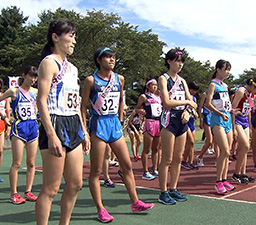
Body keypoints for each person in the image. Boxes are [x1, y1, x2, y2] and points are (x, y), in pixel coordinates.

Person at [81, 46, 154, 223]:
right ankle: (100, 208)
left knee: (127, 165)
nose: (111, 59)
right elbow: (82, 107)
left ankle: (135, 202)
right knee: (96, 171)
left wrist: (121, 118)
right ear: (98, 60)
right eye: (107, 57)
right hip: (98, 125)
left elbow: (121, 99)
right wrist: (84, 131)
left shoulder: (119, 78)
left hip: (114, 124)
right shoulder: (91, 80)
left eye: (113, 57)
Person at [35, 20, 90, 225]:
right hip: (55, 123)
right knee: (51, 188)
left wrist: (83, 132)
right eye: (71, 35)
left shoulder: (73, 69)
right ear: (55, 37)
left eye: (75, 36)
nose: (74, 40)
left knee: (75, 183)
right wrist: (51, 135)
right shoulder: (49, 63)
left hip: (73, 124)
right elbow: (41, 100)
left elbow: (75, 105)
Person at [157, 49, 197, 204]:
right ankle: (163, 192)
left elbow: (191, 102)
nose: (180, 64)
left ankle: (173, 189)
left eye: (182, 61)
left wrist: (187, 110)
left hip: (182, 120)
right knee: (166, 158)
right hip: (169, 119)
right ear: (169, 61)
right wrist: (187, 103)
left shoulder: (182, 81)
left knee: (178, 158)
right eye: (177, 60)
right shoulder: (163, 79)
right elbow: (166, 102)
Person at [0, 66, 39, 204]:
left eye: (35, 77)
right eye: (31, 76)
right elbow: (1, 98)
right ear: (24, 75)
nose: (33, 79)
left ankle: (28, 191)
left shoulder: (36, 92)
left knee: (31, 162)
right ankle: (14, 193)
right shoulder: (14, 91)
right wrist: (5, 116)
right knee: (17, 163)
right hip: (19, 128)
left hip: (33, 127)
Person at [205, 59, 236, 194]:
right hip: (218, 119)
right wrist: (220, 113)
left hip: (227, 119)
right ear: (218, 69)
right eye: (225, 69)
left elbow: (227, 104)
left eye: (229, 69)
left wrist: (232, 112)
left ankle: (224, 179)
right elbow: (208, 104)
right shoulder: (213, 84)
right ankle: (218, 182)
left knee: (227, 152)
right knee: (223, 150)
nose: (228, 72)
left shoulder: (225, 86)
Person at [231, 77, 256, 184]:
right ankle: (236, 173)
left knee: (245, 148)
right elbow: (232, 109)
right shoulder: (241, 91)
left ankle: (242, 172)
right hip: (237, 120)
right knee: (244, 145)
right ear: (253, 86)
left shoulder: (251, 95)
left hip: (245, 120)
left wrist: (249, 126)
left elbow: (249, 111)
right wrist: (234, 128)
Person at [136, 78, 162, 180]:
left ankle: (155, 169)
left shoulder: (159, 96)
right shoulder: (144, 96)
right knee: (147, 149)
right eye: (153, 85)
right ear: (148, 86)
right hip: (149, 122)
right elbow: (137, 108)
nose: (155, 87)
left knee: (156, 148)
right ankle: (145, 171)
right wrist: (140, 111)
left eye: (156, 85)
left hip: (158, 123)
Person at [182, 81, 200, 170]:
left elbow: (193, 109)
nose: (193, 93)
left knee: (191, 144)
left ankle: (191, 161)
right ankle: (184, 161)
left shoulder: (194, 98)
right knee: (191, 141)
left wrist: (195, 113)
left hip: (191, 121)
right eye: (192, 90)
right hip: (185, 121)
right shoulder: (183, 97)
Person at [196, 91, 217, 167]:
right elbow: (200, 107)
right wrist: (201, 120)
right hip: (207, 117)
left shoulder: (217, 93)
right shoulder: (205, 94)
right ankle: (200, 157)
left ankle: (218, 160)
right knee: (209, 141)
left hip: (214, 117)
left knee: (216, 141)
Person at [0, 78, 11, 183]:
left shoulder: (4, 97)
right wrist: (4, 117)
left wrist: (9, 126)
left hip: (2, 125)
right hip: (2, 119)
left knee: (0, 150)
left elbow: (7, 110)